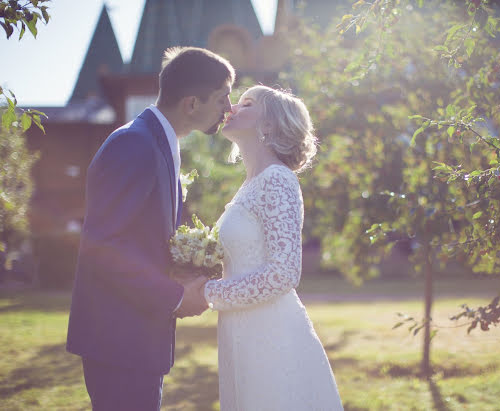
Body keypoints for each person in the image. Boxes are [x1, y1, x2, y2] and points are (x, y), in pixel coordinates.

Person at [66, 47, 235, 410]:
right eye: (223, 98)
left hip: (137, 337)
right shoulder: (134, 145)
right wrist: (174, 297)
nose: (229, 109)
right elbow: (103, 247)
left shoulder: (159, 143)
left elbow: (143, 240)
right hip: (117, 340)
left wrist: (185, 272)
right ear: (192, 104)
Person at [202, 85, 343, 410]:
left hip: (271, 333)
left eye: (247, 103)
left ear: (268, 126)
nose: (232, 107)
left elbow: (284, 273)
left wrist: (209, 294)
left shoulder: (278, 180)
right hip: (239, 332)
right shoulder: (249, 186)